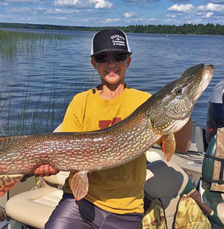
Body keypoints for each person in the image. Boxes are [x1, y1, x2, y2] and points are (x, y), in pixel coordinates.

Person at [34, 28, 193, 229]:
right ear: (94, 63)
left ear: (128, 61)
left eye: (118, 56)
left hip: (127, 209)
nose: (111, 64)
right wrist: (47, 164)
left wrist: (186, 106)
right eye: (102, 58)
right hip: (80, 202)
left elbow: (184, 146)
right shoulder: (80, 102)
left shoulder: (145, 102)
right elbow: (66, 151)